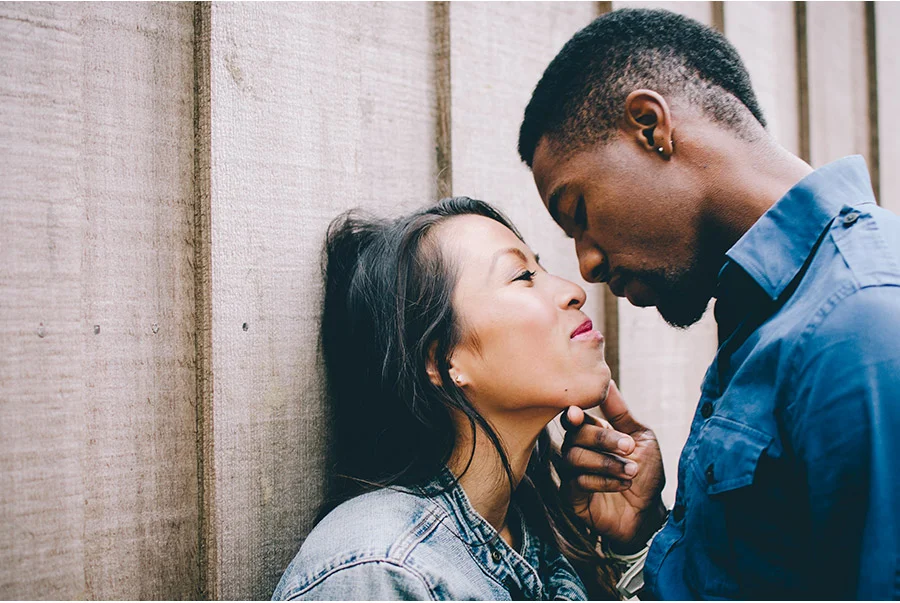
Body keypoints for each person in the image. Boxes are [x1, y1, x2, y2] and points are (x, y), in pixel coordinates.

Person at [517, 7, 899, 600]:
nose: (587, 263)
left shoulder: (861, 320)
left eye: (579, 214)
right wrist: (646, 538)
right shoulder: (773, 313)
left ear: (650, 127)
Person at [272, 197, 624, 600]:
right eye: (523, 275)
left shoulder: (535, 532)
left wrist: (631, 546)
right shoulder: (382, 572)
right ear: (441, 360)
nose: (574, 290)